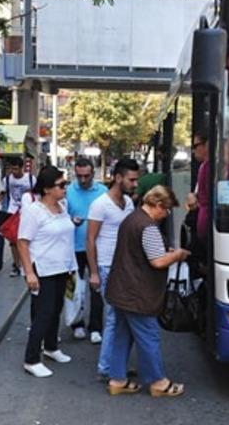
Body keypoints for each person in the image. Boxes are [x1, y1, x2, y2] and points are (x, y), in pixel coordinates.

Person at [105, 185, 190, 397]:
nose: (167, 214)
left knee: (122, 336)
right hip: (138, 294)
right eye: (167, 209)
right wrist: (177, 255)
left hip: (121, 289)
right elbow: (158, 262)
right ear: (158, 205)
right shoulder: (148, 227)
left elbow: (138, 252)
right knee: (148, 336)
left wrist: (164, 252)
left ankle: (117, 380)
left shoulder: (132, 219)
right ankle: (158, 382)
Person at [18, 166, 76, 378]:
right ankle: (31, 359)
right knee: (43, 314)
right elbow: (23, 242)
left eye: (65, 184)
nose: (65, 189)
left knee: (56, 310)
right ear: (47, 189)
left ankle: (51, 347)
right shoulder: (34, 211)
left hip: (62, 267)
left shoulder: (62, 206)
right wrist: (29, 273)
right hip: (43, 269)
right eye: (61, 185)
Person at [86, 158, 139, 379]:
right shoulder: (100, 204)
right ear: (118, 178)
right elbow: (90, 240)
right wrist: (95, 273)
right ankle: (106, 368)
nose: (135, 184)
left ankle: (114, 365)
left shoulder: (128, 202)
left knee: (122, 318)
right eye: (131, 179)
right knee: (115, 318)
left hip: (124, 268)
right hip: (107, 267)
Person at [66, 157, 108, 343]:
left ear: (93, 173)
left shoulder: (103, 192)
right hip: (73, 246)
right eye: (79, 176)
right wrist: (70, 220)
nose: (83, 180)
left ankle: (96, 327)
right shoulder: (68, 191)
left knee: (96, 286)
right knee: (75, 288)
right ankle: (77, 323)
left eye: (87, 176)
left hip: (97, 247)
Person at [0, 156, 34, 277]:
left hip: (27, 212)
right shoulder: (7, 179)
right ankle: (16, 264)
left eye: (16, 169)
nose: (13, 172)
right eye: (11, 169)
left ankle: (27, 263)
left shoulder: (30, 179)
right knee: (13, 240)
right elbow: (2, 193)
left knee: (26, 238)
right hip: (12, 211)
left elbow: (36, 194)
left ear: (22, 168)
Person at [185, 132, 210, 242]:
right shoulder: (204, 166)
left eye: (195, 146)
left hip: (205, 223)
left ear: (207, 145)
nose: (193, 151)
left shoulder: (209, 166)